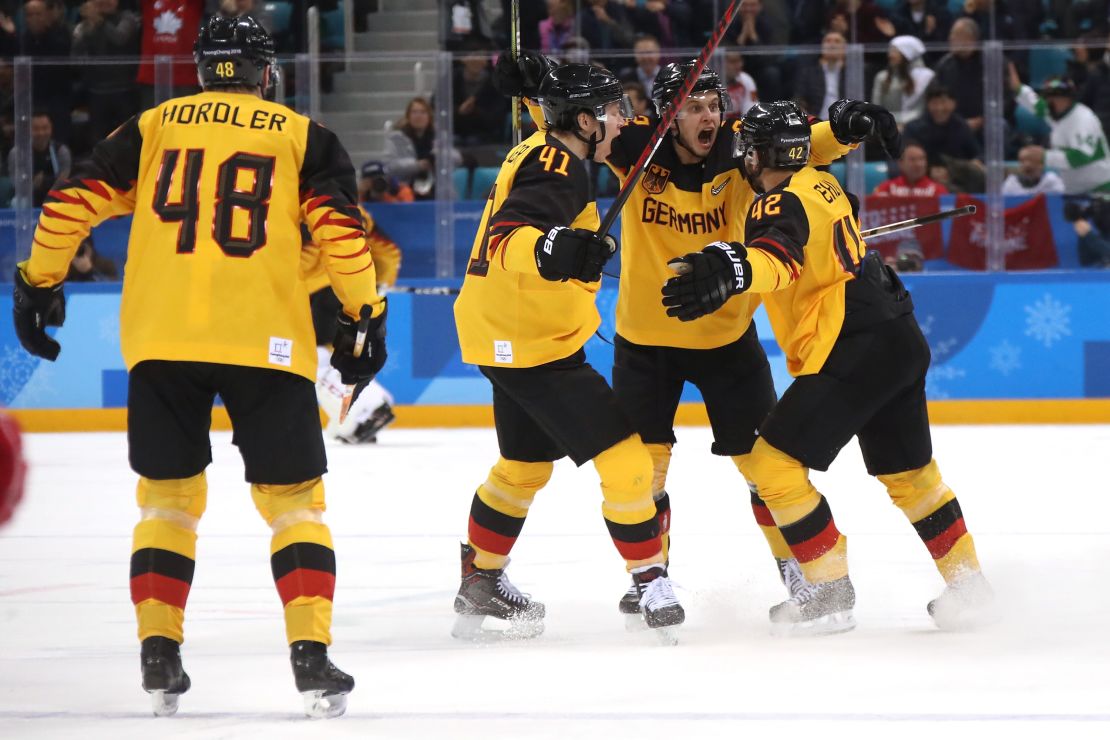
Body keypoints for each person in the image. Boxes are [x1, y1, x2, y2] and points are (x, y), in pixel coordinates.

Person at [11, 15, 385, 718]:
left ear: (201, 68)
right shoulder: (301, 135)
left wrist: (38, 282)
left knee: (167, 505)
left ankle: (160, 652)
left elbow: (69, 204)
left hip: (160, 341)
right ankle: (311, 657)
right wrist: (364, 314)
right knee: (295, 506)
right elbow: (339, 232)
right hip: (265, 344)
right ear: (263, 72)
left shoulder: (155, 128)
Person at [661, 100, 995, 636]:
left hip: (852, 343)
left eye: (747, 146)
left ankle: (828, 593)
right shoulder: (822, 182)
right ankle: (971, 590)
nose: (740, 153)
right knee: (911, 476)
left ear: (759, 154)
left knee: (771, 466)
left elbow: (778, 257)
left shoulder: (777, 203)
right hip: (897, 332)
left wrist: (735, 266)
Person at [595, 60, 897, 622]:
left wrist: (850, 127)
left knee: (763, 467)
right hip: (644, 342)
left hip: (728, 337)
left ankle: (798, 574)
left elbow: (805, 141)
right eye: (694, 107)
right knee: (644, 472)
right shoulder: (635, 144)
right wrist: (532, 92)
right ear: (668, 114)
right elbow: (574, 127)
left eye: (714, 105)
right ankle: (650, 577)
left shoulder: (742, 147)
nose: (708, 116)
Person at [453, 60, 685, 643]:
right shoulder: (561, 167)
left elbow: (548, 139)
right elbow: (511, 235)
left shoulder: (540, 146)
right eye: (612, 110)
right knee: (627, 462)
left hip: (498, 333)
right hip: (537, 345)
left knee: (523, 466)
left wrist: (538, 82)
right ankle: (649, 579)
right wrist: (555, 250)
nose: (623, 119)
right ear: (584, 120)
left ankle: (479, 580)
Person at [307, 206, 402, 445]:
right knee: (329, 355)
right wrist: (380, 283)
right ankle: (367, 403)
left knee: (314, 356)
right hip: (347, 288)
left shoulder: (303, 207)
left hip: (317, 292)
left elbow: (301, 257)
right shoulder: (355, 210)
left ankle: (367, 407)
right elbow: (389, 251)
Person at [1010, 72, 1110, 195]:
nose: (1047, 102)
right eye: (1047, 98)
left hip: (1100, 189)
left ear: (1065, 99)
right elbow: (1036, 104)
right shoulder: (1055, 112)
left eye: (1051, 98)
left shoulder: (1084, 119)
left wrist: (1044, 156)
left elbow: (1081, 156)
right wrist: (1018, 88)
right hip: (1074, 191)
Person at [6, 111, 71, 207]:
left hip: (55, 194)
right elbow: (16, 183)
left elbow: (65, 180)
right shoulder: (17, 153)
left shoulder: (61, 151)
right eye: (36, 129)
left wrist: (44, 181)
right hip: (29, 196)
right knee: (17, 203)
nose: (41, 133)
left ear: (51, 128)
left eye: (45, 128)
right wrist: (34, 184)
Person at [870, 35, 935, 127]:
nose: (890, 55)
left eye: (895, 51)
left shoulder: (926, 77)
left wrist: (906, 125)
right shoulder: (881, 77)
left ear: (907, 54)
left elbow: (925, 110)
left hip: (917, 128)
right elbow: (876, 109)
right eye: (890, 51)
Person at [794, 30, 846, 118]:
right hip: (817, 123)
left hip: (844, 124)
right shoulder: (809, 73)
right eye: (828, 41)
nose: (832, 45)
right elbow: (798, 99)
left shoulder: (850, 75)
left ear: (844, 49)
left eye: (837, 41)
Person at [873, 140, 949, 196]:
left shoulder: (939, 191)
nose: (919, 164)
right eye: (912, 159)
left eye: (922, 159)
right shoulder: (886, 188)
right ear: (901, 163)